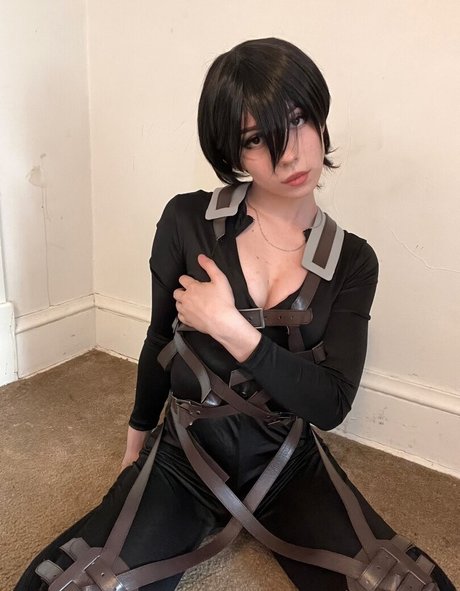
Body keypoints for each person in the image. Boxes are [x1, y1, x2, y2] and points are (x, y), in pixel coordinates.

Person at [15, 37, 455, 591]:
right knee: (74, 582)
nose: (288, 155)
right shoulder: (187, 221)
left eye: (297, 121)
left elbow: (331, 404)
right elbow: (159, 339)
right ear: (232, 152)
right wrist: (136, 444)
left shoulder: (353, 260)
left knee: (404, 582)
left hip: (288, 460)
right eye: (255, 139)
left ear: (320, 115)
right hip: (186, 454)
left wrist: (229, 327)